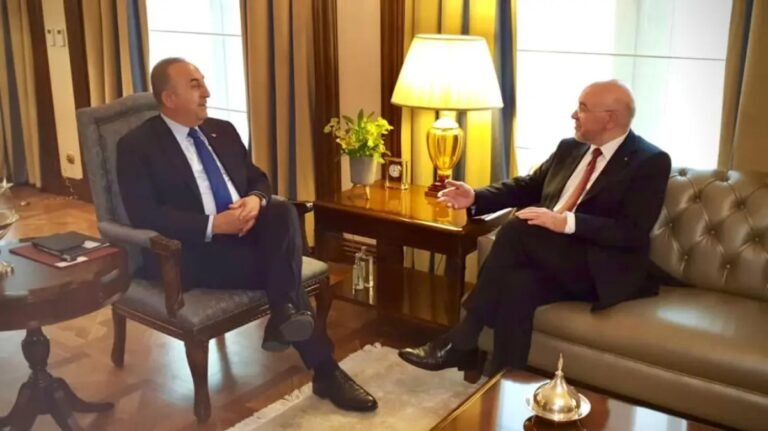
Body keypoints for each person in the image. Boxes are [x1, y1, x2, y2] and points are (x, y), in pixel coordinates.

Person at [117, 57, 377, 412]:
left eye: (203, 82)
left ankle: (284, 317)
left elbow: (258, 178)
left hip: (245, 234)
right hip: (191, 252)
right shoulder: (136, 146)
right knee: (282, 270)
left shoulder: (221, 130)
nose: (207, 92)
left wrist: (255, 199)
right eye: (195, 85)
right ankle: (323, 366)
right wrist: (213, 225)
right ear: (169, 98)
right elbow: (145, 214)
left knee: (282, 211)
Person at [399, 80, 672, 373]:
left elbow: (631, 231)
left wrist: (565, 222)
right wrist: (476, 197)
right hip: (552, 258)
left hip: (598, 266)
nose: (573, 114)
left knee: (519, 228)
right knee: (517, 286)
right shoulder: (571, 148)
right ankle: (504, 383)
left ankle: (462, 339)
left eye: (582, 108)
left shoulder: (650, 161)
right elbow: (528, 186)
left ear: (609, 118)